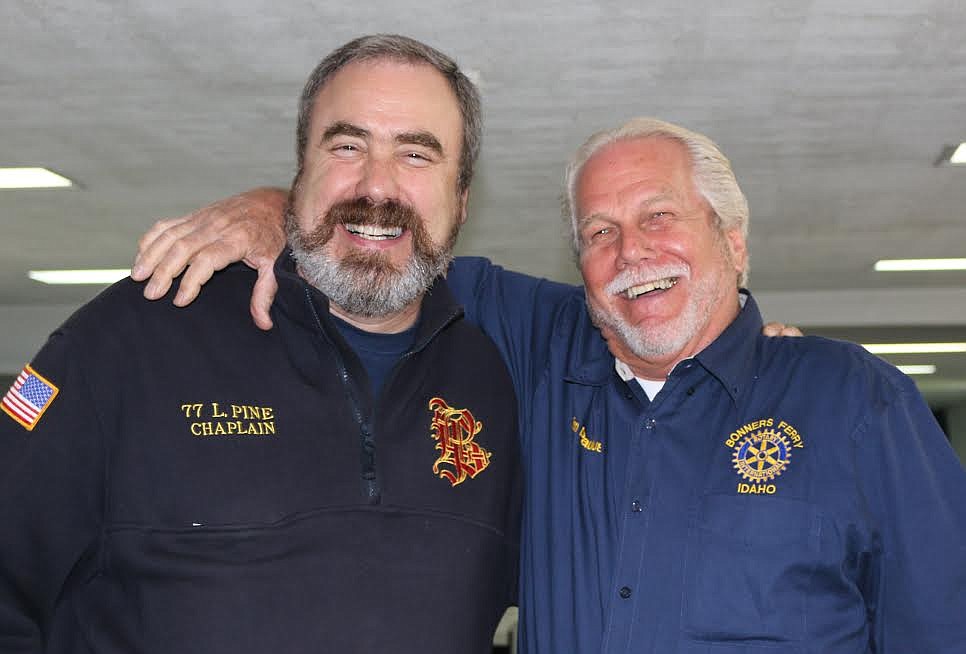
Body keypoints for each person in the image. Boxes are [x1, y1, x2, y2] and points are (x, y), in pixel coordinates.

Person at [134, 114, 966, 653]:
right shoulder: (536, 347)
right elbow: (380, 249)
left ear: (734, 241)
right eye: (600, 231)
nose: (631, 251)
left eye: (660, 217)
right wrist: (273, 207)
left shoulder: (856, 401)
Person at [0, 35, 523, 654]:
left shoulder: (494, 380)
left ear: (461, 203)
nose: (377, 186)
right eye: (347, 146)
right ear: (300, 176)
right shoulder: (129, 340)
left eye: (416, 154)